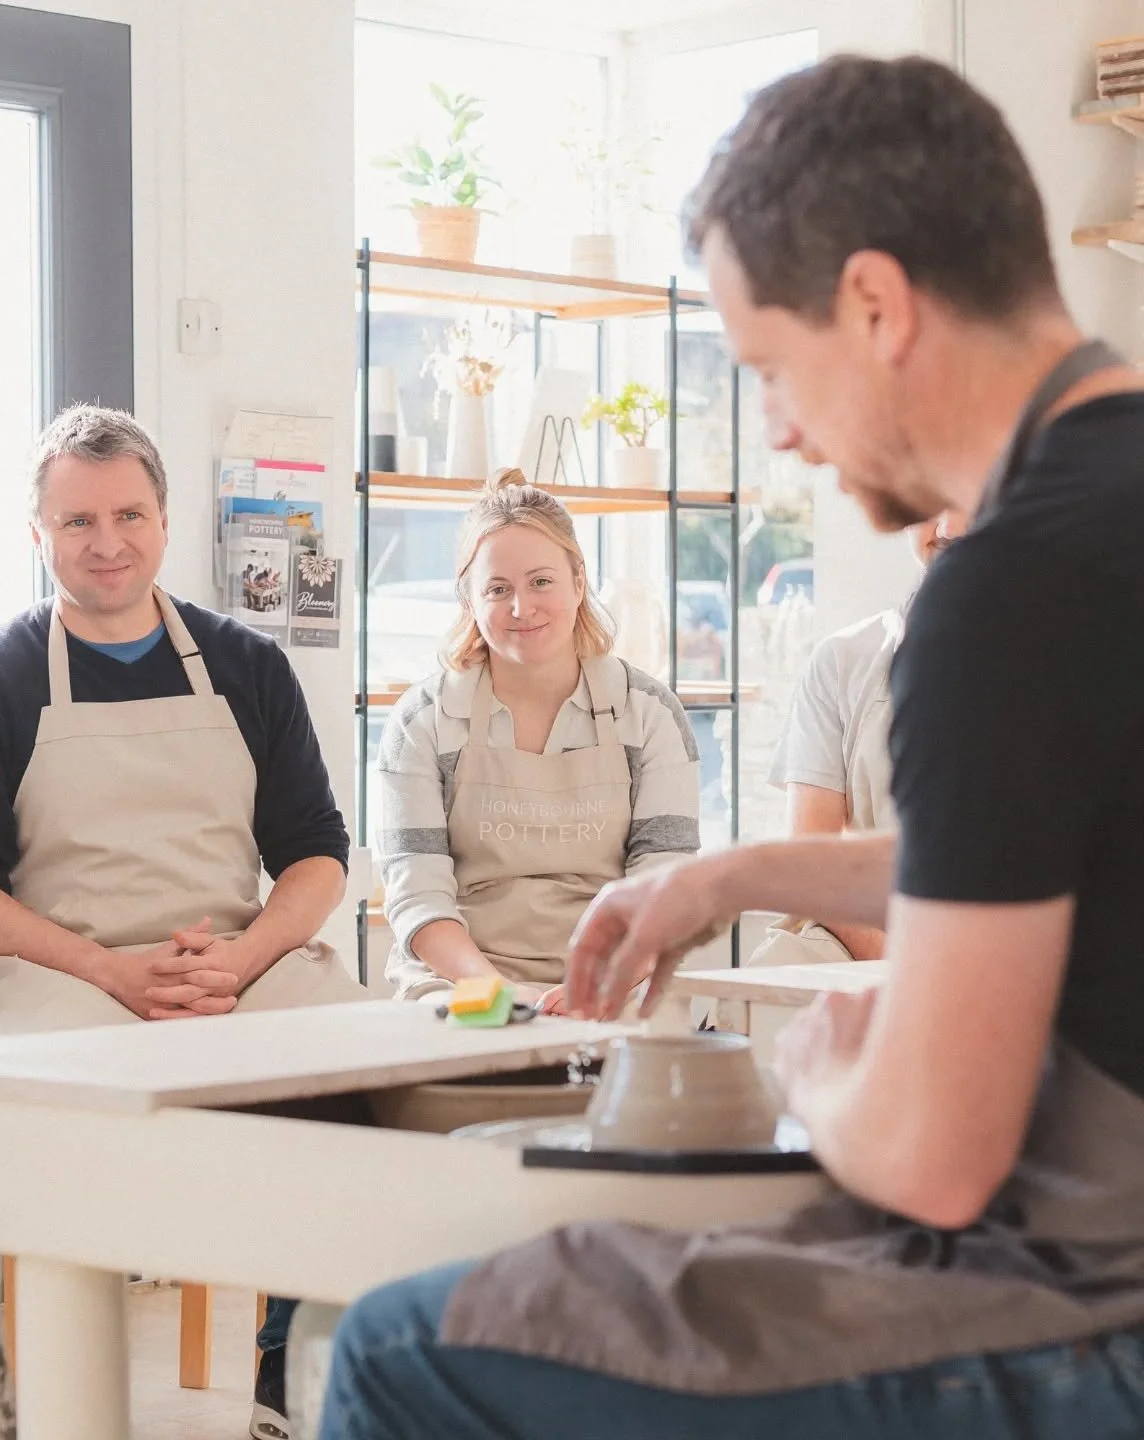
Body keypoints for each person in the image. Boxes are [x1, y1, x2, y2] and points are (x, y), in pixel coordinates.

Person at [318, 55, 1144, 1439]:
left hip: (1100, 1314)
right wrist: (736, 877)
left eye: (768, 365)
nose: (781, 430)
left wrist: (818, 1077)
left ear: (876, 304)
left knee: (404, 1346)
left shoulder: (1004, 596)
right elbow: (1061, 841)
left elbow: (936, 1161)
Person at [0, 404, 363, 1440]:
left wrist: (246, 958)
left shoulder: (248, 664)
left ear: (164, 520)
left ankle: (288, 1392)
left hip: (235, 960)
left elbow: (314, 854)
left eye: (128, 514)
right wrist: (113, 975)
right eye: (77, 522)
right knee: (44, 1150)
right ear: (38, 535)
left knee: (358, 1072)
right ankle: (57, 1409)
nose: (106, 543)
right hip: (67, 977)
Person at [376, 469, 700, 1009]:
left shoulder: (648, 714)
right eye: (498, 590)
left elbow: (663, 886)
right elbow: (418, 893)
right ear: (470, 602)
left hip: (621, 971)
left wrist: (600, 983)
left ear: (579, 581)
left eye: (541, 581)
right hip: (462, 978)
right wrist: (501, 993)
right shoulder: (424, 721)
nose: (521, 608)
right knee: (479, 1066)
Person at [750, 509, 964, 964]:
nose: (946, 528)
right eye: (929, 503)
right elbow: (811, 865)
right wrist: (909, 972)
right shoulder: (845, 660)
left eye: (967, 499)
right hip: (871, 941)